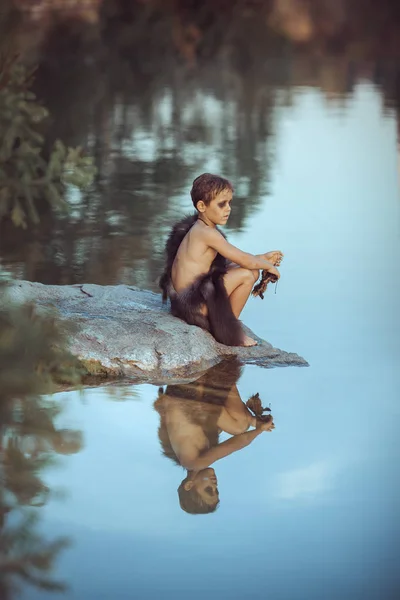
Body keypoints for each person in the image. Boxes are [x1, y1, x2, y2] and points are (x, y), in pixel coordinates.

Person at [159, 173, 283, 347]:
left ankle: (224, 323)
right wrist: (268, 266)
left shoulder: (198, 228)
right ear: (202, 206)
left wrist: (260, 258)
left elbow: (231, 262)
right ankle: (228, 331)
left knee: (245, 269)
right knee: (248, 275)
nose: (228, 208)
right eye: (222, 204)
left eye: (229, 203)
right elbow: (243, 260)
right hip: (193, 306)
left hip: (184, 302)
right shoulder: (207, 233)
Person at [154, 360, 275, 515]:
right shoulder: (187, 453)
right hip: (184, 390)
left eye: (209, 490)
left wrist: (259, 430)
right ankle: (221, 372)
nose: (215, 485)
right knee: (237, 425)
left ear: (189, 485)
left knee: (239, 427)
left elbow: (236, 444)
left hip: (188, 389)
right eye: (217, 490)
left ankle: (220, 367)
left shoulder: (193, 462)